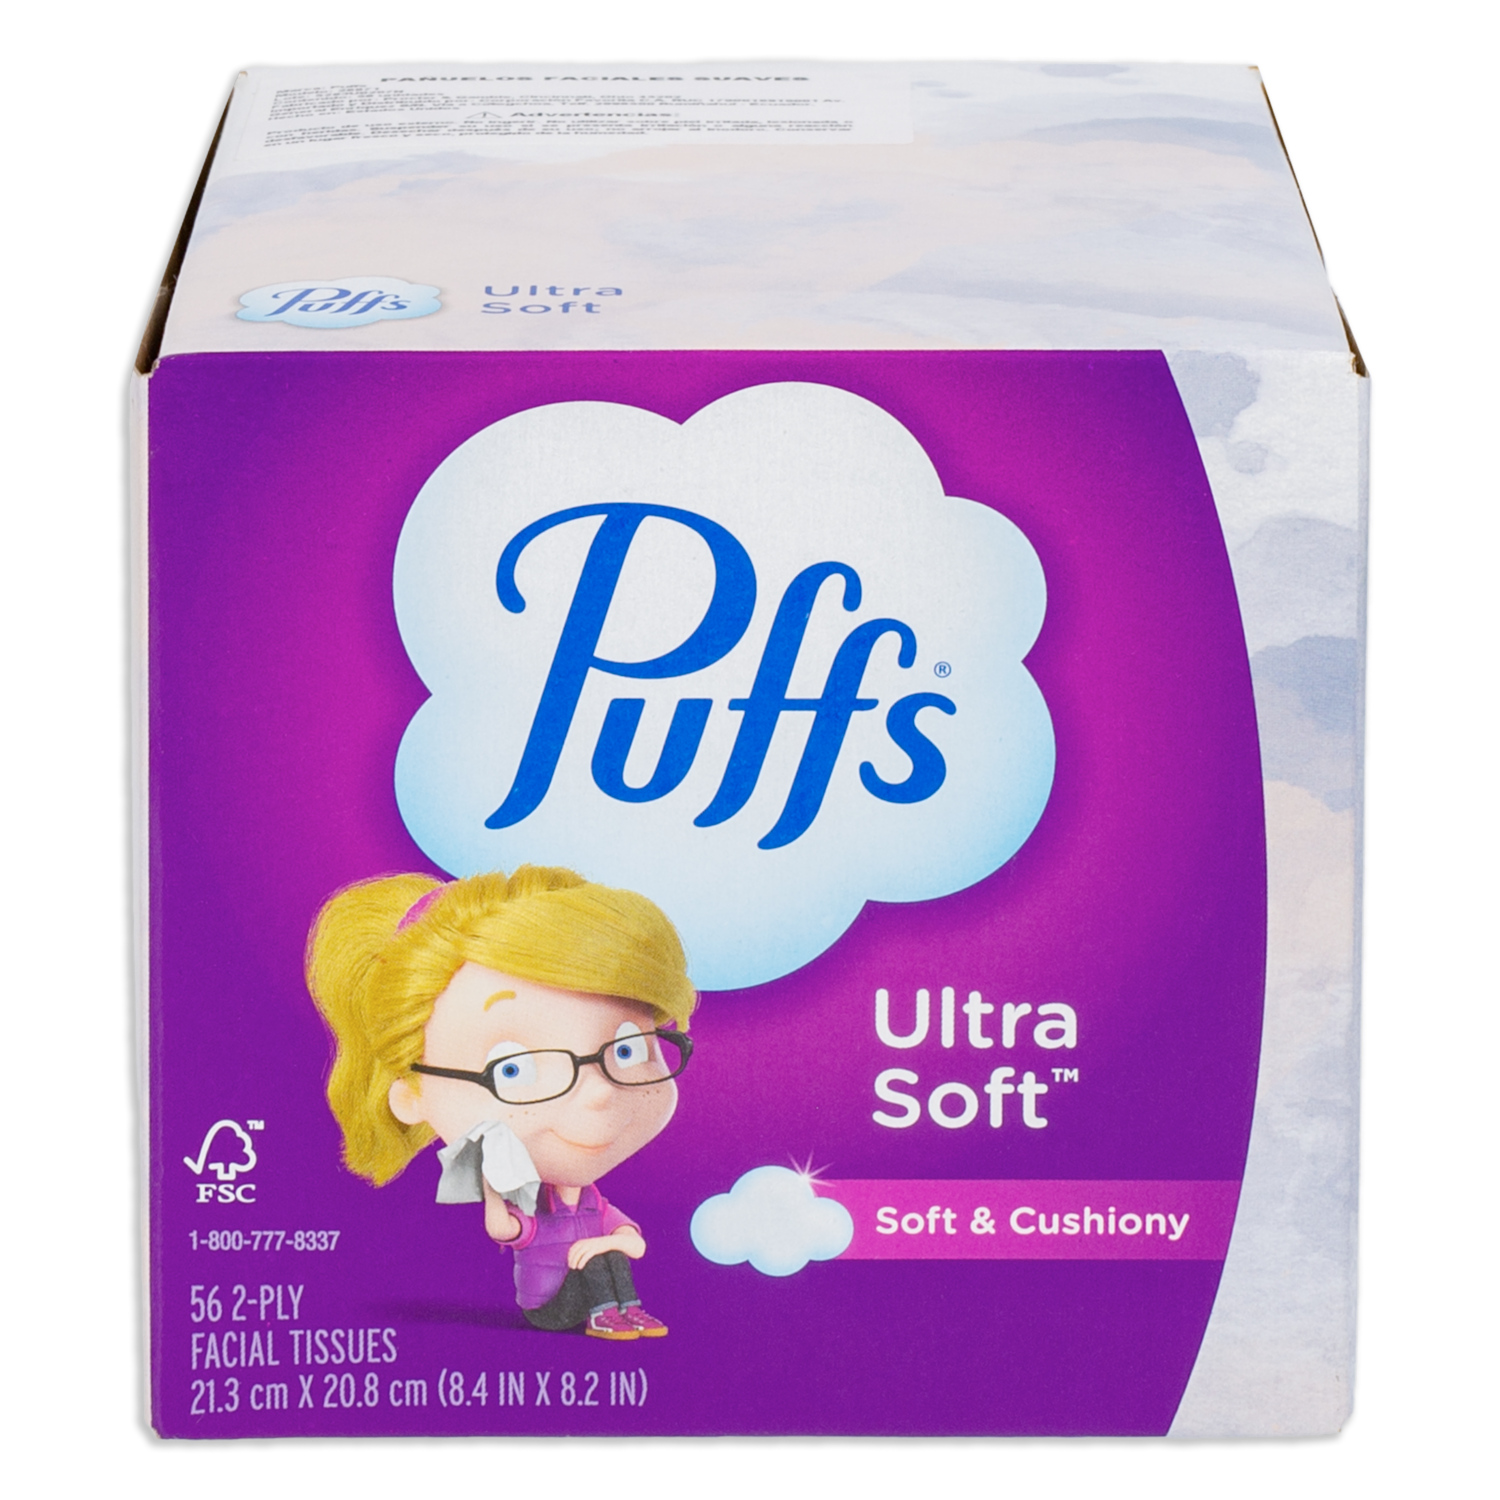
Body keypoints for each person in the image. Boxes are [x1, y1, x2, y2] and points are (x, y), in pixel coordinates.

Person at [306, 866, 695, 1340]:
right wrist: (493, 1193)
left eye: (628, 1049)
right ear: (412, 1095)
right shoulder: (528, 1199)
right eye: (512, 1069)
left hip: (589, 1284)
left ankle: (623, 1312)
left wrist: (617, 1242)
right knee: (601, 1259)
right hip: (549, 1305)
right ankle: (609, 1313)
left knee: (605, 1255)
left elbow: (630, 1238)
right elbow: (507, 1231)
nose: (599, 1091)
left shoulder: (594, 1202)